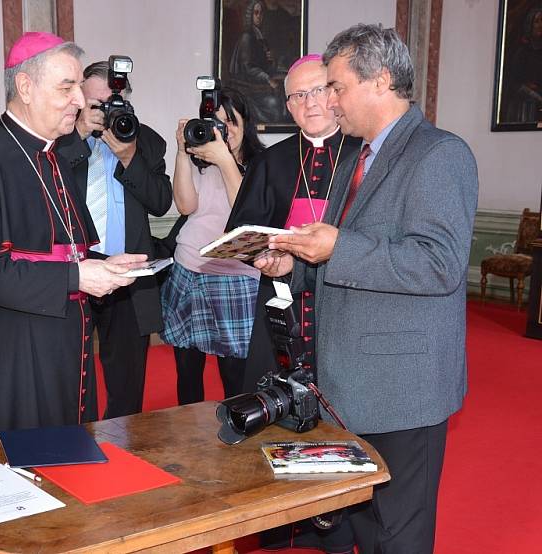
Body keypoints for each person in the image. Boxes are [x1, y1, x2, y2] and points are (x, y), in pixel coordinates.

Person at [270, 24, 478, 554]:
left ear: (380, 80)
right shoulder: (358, 157)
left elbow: (439, 265)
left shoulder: (439, 154)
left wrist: (337, 247)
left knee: (397, 536)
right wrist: (288, 266)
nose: (331, 102)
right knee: (360, 525)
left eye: (337, 87)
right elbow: (342, 256)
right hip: (348, 385)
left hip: (403, 389)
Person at [0, 33, 145, 446]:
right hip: (13, 356)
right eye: (67, 87)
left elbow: (60, 246)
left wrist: (104, 263)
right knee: (23, 474)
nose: (79, 100)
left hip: (64, 344)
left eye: (79, 87)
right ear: (25, 86)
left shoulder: (53, 154)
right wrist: (76, 278)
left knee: (67, 470)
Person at [227, 54, 361, 554]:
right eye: (298, 96)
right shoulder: (274, 160)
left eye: (320, 90)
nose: (311, 104)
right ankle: (277, 520)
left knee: (338, 416)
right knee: (275, 414)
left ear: (337, 91)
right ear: (287, 106)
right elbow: (242, 229)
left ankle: (339, 524)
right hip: (280, 309)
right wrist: (260, 252)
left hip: (341, 309)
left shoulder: (362, 153)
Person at [57, 61, 172, 418]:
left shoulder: (146, 140)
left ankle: (125, 446)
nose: (108, 112)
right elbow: (48, 187)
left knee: (126, 379)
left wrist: (129, 157)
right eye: (97, 104)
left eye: (114, 103)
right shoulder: (59, 141)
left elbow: (161, 201)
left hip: (128, 273)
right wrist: (78, 136)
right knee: (70, 373)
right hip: (75, 272)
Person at [160, 88, 264, 405]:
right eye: (215, 122)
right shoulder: (200, 159)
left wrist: (225, 161)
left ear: (247, 124)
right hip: (189, 271)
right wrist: (181, 152)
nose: (223, 131)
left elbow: (244, 215)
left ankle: (239, 436)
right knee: (187, 372)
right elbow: (186, 206)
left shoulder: (262, 164)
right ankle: (193, 439)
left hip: (237, 278)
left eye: (230, 122)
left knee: (236, 375)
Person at [227, 0, 287, 123]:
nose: (259, 16)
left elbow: (263, 65)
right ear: (250, 15)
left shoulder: (259, 36)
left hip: (257, 85)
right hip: (247, 89)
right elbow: (247, 67)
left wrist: (272, 61)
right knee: (275, 104)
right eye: (256, 13)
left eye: (261, 13)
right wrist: (267, 79)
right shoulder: (247, 38)